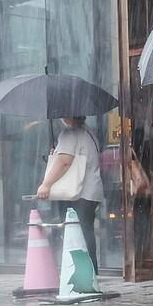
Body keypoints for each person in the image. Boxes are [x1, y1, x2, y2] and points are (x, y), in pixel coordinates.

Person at [35, 116, 104, 270]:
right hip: (91, 190)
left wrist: (46, 184)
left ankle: (80, 270)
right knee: (86, 230)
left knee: (75, 231)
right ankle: (90, 269)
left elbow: (64, 161)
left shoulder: (69, 134)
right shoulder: (89, 133)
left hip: (78, 192)